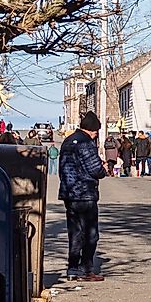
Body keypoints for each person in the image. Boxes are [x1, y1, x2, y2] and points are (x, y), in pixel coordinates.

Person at [59, 112, 109, 281]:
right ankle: (86, 269)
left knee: (74, 232)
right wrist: (103, 170)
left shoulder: (67, 141)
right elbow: (95, 169)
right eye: (96, 132)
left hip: (69, 192)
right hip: (85, 193)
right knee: (90, 233)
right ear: (92, 130)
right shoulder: (86, 143)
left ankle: (72, 269)